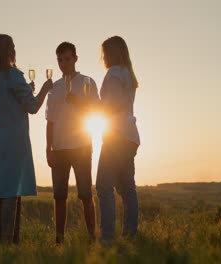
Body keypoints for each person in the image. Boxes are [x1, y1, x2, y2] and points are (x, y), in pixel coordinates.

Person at [0, 34, 53, 243]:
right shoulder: (14, 76)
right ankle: (9, 244)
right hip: (13, 147)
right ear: (9, 51)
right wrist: (45, 90)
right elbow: (33, 107)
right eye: (13, 47)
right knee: (11, 193)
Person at [45, 42, 99, 244]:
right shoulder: (54, 87)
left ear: (76, 59)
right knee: (59, 196)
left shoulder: (88, 82)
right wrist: (48, 148)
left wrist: (79, 102)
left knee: (85, 194)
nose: (63, 63)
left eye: (67, 59)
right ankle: (59, 239)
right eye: (59, 60)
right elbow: (49, 121)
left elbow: (97, 110)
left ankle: (92, 238)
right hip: (59, 148)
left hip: (82, 146)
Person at [95, 36, 141, 244]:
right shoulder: (127, 74)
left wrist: (88, 104)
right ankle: (130, 234)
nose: (102, 57)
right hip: (130, 135)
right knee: (126, 187)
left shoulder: (113, 73)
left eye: (104, 53)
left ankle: (107, 238)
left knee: (104, 186)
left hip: (117, 135)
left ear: (111, 53)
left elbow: (110, 106)